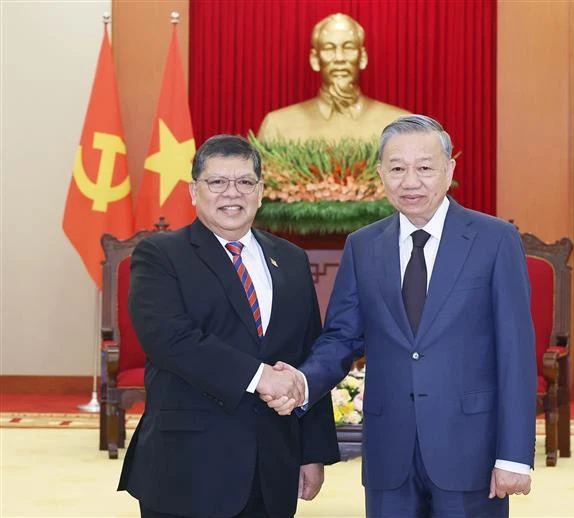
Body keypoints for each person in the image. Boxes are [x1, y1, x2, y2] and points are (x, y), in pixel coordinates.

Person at [265, 115, 537, 517]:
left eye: (424, 168)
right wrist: (302, 381)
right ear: (381, 174)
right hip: (389, 452)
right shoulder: (363, 245)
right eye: (397, 168)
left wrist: (514, 456)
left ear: (449, 171)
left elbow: (515, 352)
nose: (410, 181)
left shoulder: (494, 240)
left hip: (470, 449)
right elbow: (342, 336)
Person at [118, 135, 340, 518]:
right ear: (194, 191)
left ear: (260, 191)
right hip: (188, 467)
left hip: (272, 466)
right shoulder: (160, 255)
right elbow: (169, 339)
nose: (231, 193)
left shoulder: (290, 259)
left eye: (244, 182)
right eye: (217, 182)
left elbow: (308, 351)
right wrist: (259, 377)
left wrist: (313, 453)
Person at [257, 13, 409, 142]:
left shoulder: (399, 125)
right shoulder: (278, 126)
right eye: (329, 48)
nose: (339, 58)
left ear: (362, 57)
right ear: (315, 59)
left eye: (348, 47)